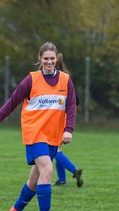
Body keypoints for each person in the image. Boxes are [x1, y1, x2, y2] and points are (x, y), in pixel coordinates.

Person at [0, 42, 77, 211]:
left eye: (52, 58)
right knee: (48, 171)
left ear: (56, 58)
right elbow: (13, 101)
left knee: (34, 180)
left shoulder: (65, 80)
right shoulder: (31, 79)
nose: (49, 62)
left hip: (53, 134)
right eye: (46, 59)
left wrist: (69, 129)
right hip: (34, 132)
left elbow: (71, 106)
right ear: (40, 59)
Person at [52, 53, 83, 187]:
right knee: (57, 149)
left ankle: (74, 169)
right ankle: (62, 179)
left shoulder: (55, 78)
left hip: (57, 119)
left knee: (54, 151)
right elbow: (76, 101)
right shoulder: (66, 76)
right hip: (64, 118)